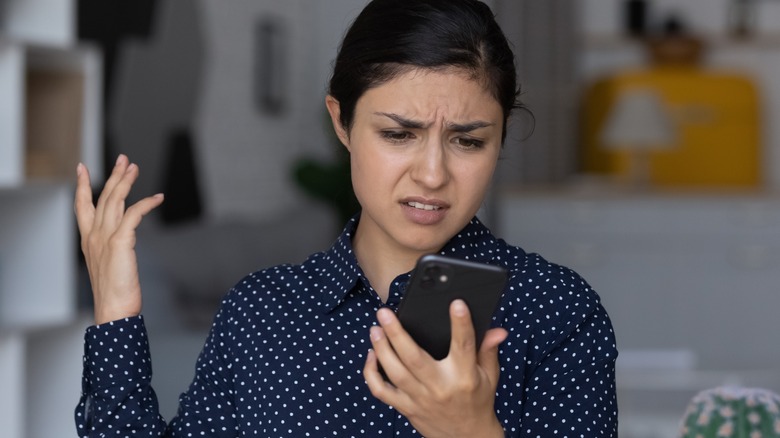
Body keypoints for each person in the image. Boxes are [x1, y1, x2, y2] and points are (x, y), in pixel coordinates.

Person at [73, 0, 619, 436]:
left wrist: (468, 432)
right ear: (342, 122)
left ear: (500, 139)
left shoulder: (556, 312)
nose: (432, 174)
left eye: (468, 141)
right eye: (398, 134)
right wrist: (116, 310)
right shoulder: (260, 312)